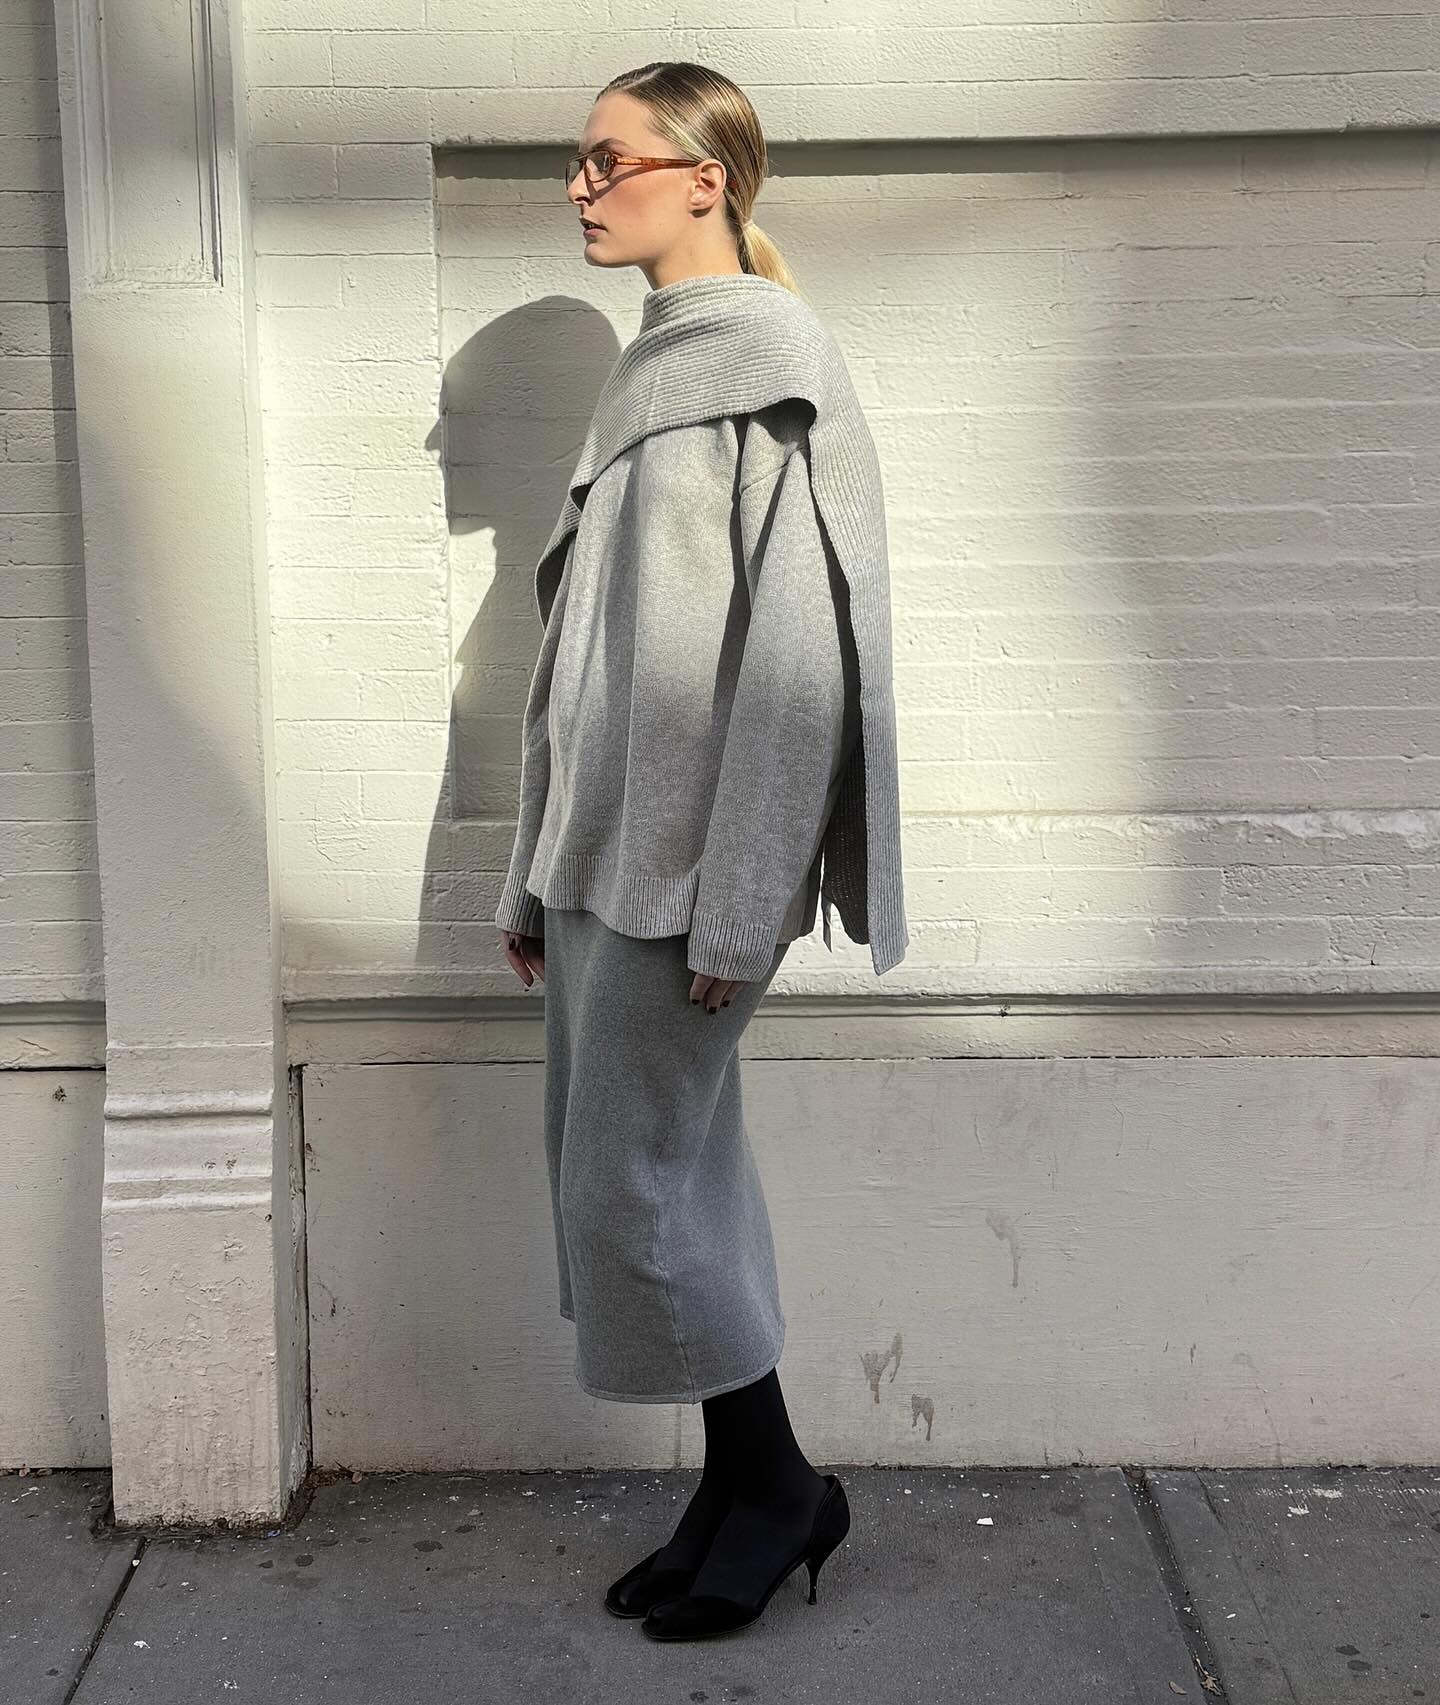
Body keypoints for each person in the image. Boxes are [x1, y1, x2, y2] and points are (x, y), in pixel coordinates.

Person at [494, 60, 907, 1642]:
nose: (582, 187)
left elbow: (801, 663)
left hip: (689, 875)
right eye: (580, 162)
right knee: (661, 1178)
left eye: (608, 160)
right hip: (600, 859)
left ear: (704, 177)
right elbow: (576, 652)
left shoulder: (775, 364)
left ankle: (778, 1486)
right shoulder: (649, 370)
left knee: (638, 1183)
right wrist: (530, 866)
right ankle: (753, 1485)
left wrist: (747, 900)